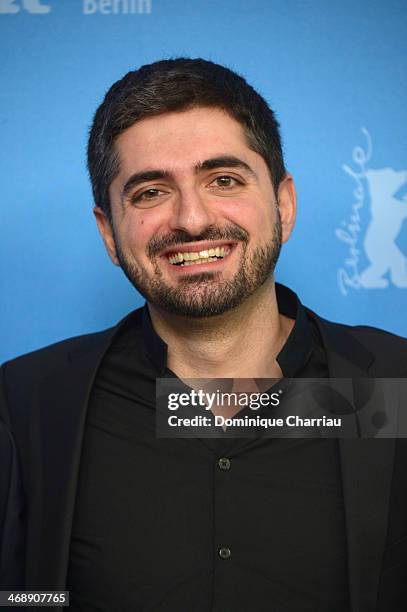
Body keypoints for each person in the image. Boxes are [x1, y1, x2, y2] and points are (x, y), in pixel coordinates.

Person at [1, 57, 406, 612]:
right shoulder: (28, 404)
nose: (191, 219)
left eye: (223, 180)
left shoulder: (393, 385)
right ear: (109, 233)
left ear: (284, 205)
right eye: (150, 192)